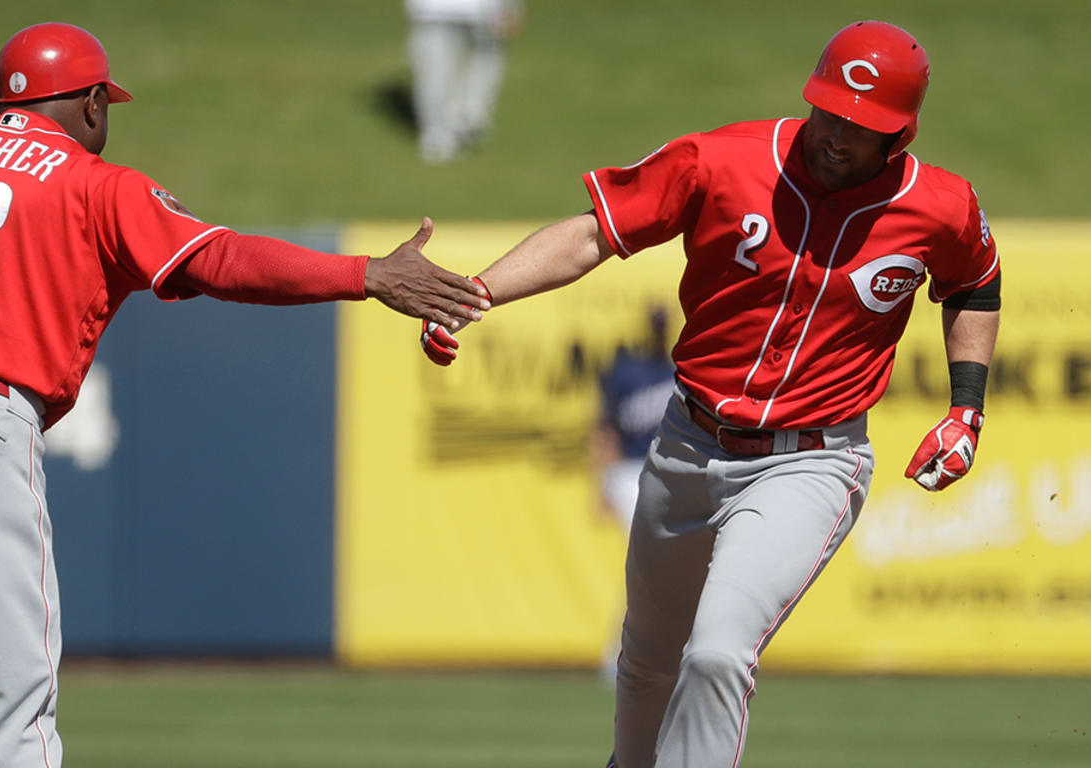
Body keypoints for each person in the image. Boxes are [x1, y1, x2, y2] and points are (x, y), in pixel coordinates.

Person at [0, 22, 488, 767]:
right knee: (15, 718)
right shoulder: (94, 184)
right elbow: (219, 259)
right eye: (103, 105)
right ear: (89, 104)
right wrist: (366, 275)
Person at [421, 20, 1000, 767]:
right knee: (646, 663)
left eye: (861, 129)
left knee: (719, 654)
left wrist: (967, 407)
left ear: (901, 135)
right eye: (830, 113)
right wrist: (480, 291)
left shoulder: (939, 205)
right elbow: (594, 234)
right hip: (686, 442)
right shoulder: (721, 160)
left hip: (810, 461)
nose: (837, 135)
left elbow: (975, 281)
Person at [591, 306, 677, 683]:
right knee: (648, 566)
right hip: (627, 474)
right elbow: (605, 430)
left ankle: (632, 656)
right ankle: (621, 657)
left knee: (659, 570)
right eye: (656, 326)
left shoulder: (678, 370)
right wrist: (599, 485)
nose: (659, 332)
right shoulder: (627, 371)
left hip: (664, 473)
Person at [404, 0, 522, 164]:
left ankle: (465, 122)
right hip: (435, 10)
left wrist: (510, 6)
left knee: (483, 63)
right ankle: (439, 135)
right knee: (436, 70)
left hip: (484, 10)